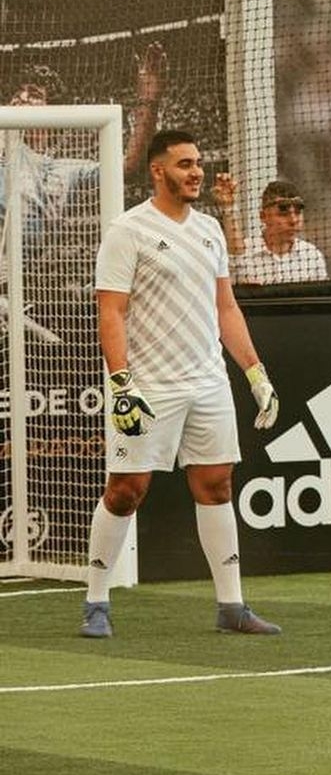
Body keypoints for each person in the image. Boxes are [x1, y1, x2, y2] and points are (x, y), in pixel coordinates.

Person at [78, 129, 282, 639]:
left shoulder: (210, 229)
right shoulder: (128, 230)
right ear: (158, 170)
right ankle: (96, 603)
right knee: (126, 491)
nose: (196, 173)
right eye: (185, 164)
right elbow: (111, 311)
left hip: (208, 383)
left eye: (198, 163)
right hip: (148, 387)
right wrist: (121, 383)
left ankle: (231, 606)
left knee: (217, 486)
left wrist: (255, 372)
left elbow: (226, 307)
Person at [0, 44, 165, 249]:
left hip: (23, 264)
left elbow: (129, 168)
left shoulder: (65, 170)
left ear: (54, 113)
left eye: (33, 94)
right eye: (18, 92)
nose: (21, 97)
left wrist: (149, 101)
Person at [213, 175, 329, 286]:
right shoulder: (245, 252)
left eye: (298, 212)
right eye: (283, 213)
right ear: (263, 216)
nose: (293, 220)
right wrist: (228, 207)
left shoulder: (312, 255)